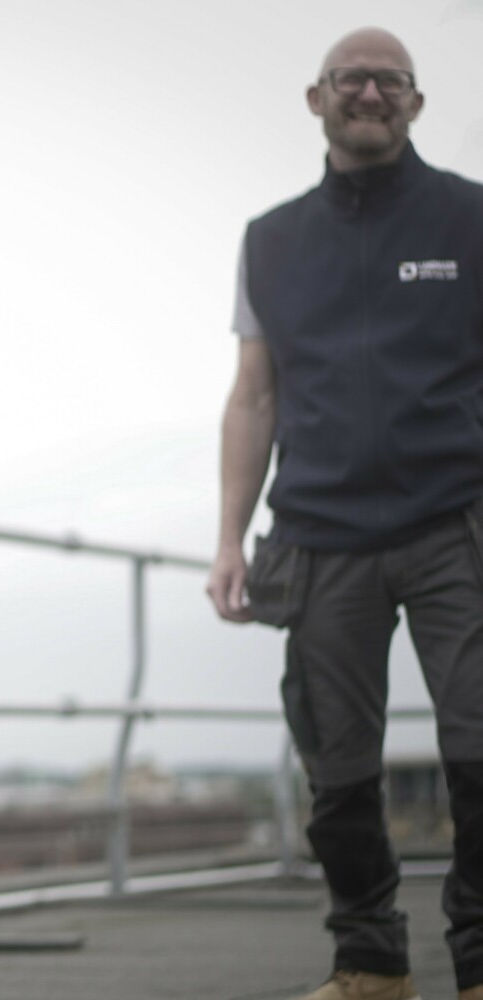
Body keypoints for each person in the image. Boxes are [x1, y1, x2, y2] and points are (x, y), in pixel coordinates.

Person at [207, 26, 483, 1000]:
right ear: (316, 98)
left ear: (414, 102)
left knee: (480, 742)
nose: (370, 91)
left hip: (459, 523)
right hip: (321, 536)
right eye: (350, 79)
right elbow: (254, 395)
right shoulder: (270, 240)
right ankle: (370, 966)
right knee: (339, 768)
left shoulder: (471, 218)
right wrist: (229, 540)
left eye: (389, 80)